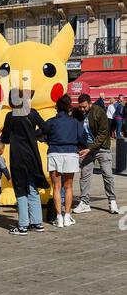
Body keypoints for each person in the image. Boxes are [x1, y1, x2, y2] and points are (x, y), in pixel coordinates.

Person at [1, 89, 49, 236]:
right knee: (33, 188)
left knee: (20, 190)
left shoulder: (11, 116)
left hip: (18, 158)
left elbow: (5, 139)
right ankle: (37, 223)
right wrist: (33, 136)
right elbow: (46, 128)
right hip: (33, 157)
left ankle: (23, 225)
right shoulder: (33, 113)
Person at [73, 94, 120, 215]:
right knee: (85, 176)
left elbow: (103, 133)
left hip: (101, 148)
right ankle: (84, 202)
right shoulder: (77, 113)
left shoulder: (99, 112)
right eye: (80, 107)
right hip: (85, 148)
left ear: (90, 104)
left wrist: (90, 148)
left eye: (84, 107)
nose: (82, 109)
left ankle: (112, 201)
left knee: (107, 174)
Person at [45, 94, 87, 228]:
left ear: (57, 107)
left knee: (56, 187)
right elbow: (83, 137)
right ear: (69, 107)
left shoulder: (51, 121)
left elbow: (41, 134)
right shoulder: (75, 122)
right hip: (70, 153)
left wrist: (49, 141)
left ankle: (58, 217)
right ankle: (67, 216)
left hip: (54, 152)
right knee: (68, 186)